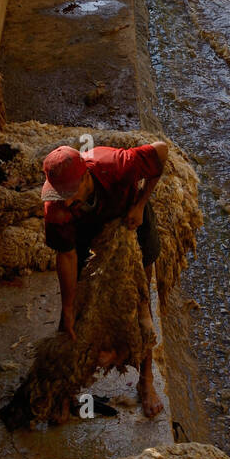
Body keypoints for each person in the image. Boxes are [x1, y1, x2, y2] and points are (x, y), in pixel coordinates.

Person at [41, 139, 169, 419]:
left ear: (86, 176)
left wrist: (140, 202)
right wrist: (68, 306)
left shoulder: (119, 166)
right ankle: (65, 389)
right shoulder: (58, 207)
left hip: (129, 222)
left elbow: (161, 151)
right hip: (86, 228)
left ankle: (146, 380)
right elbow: (67, 256)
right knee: (73, 316)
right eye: (60, 194)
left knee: (140, 300)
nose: (67, 200)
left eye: (70, 192)